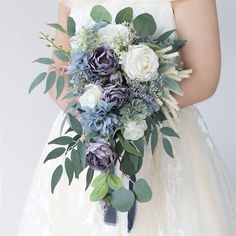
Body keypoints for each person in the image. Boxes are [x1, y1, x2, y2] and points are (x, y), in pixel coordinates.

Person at [17, 0, 236, 235]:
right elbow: (58, 68)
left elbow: (205, 78)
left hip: (158, 137)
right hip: (87, 138)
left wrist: (131, 112)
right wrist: (93, 117)